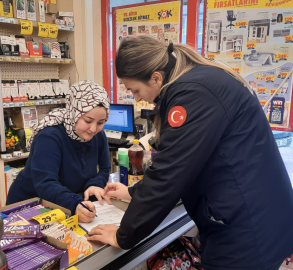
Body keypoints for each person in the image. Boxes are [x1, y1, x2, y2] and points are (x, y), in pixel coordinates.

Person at [87, 36, 293, 270]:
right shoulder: (202, 79)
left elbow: (169, 173)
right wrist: (133, 192)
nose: (137, 98)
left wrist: (122, 236)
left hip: (248, 231)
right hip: (258, 217)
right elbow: (184, 162)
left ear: (156, 77)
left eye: (136, 90)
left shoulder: (193, 94)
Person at [7, 81, 111, 223]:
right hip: (30, 206)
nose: (93, 128)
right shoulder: (50, 137)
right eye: (88, 121)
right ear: (74, 112)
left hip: (66, 204)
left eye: (100, 122)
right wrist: (74, 204)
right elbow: (46, 183)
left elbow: (105, 168)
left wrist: (95, 185)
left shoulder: (98, 136)